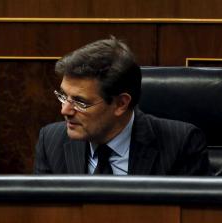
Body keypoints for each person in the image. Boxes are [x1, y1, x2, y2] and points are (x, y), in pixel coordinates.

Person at [34, 37, 210, 175]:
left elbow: (192, 219)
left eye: (80, 102)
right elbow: (44, 216)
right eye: (63, 96)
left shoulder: (181, 144)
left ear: (121, 104)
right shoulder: (51, 141)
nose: (65, 110)